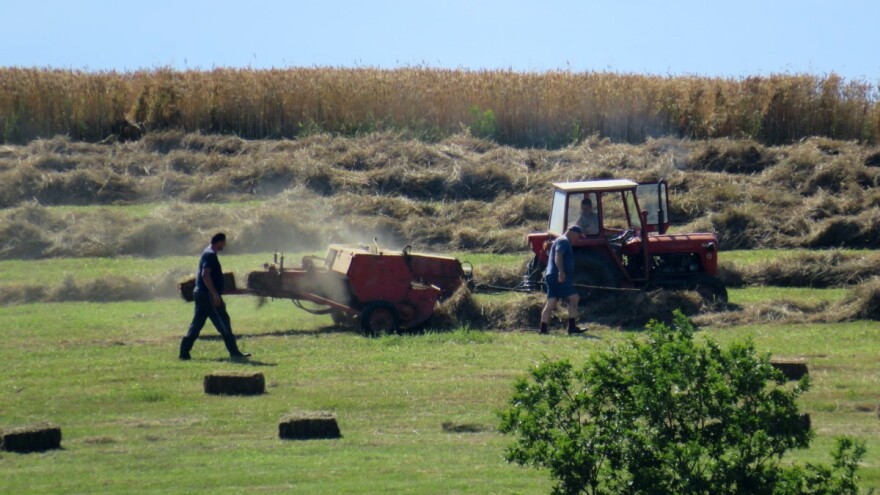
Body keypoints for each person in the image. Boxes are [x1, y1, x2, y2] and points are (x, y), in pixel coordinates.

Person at [179, 233, 251, 360]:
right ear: (219, 242)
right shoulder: (210, 255)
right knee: (223, 321)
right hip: (207, 295)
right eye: (224, 242)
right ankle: (234, 352)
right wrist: (214, 294)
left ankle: (184, 353)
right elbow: (205, 275)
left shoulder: (207, 253)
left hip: (201, 294)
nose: (225, 245)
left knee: (197, 324)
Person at [539, 225, 585, 335]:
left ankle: (543, 330)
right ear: (572, 233)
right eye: (578, 236)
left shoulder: (561, 241)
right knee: (574, 298)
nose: (578, 239)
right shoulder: (563, 241)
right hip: (557, 276)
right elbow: (558, 255)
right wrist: (561, 272)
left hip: (551, 276)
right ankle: (572, 327)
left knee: (551, 303)